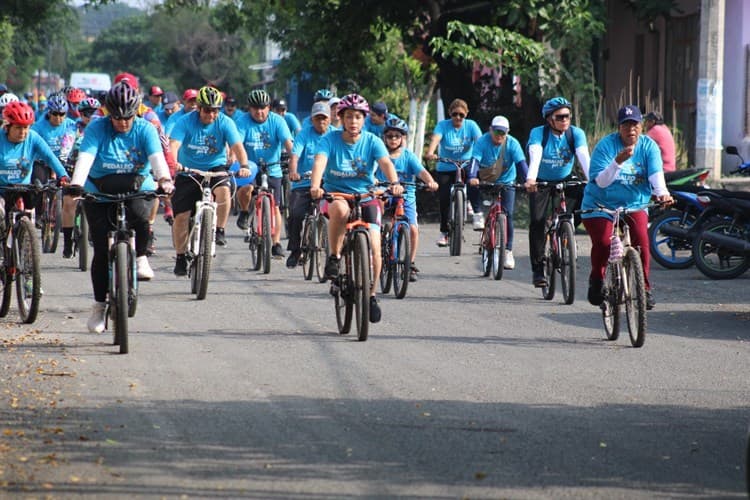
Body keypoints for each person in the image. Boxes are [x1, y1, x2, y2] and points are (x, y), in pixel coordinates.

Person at [67, 82, 174, 333]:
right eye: (117, 117)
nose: (123, 123)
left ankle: (142, 256)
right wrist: (76, 184)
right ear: (108, 113)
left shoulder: (145, 128)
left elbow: (157, 160)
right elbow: (86, 158)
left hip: (136, 184)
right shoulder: (96, 128)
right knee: (102, 250)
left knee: (141, 215)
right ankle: (98, 306)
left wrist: (165, 181)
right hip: (99, 188)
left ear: (135, 112)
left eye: (127, 117)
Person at [309, 93, 404, 323]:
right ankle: (334, 256)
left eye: (358, 117)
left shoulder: (372, 140)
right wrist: (315, 186)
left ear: (364, 120)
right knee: (340, 212)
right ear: (340, 118)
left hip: (366, 194)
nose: (353, 122)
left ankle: (371, 295)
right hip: (337, 193)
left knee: (374, 244)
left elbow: (385, 164)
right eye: (349, 117)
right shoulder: (329, 140)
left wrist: (394, 183)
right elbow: (320, 161)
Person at [581, 105, 673, 310]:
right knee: (604, 243)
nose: (631, 129)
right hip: (600, 204)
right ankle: (597, 278)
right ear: (619, 127)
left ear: (641, 126)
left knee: (642, 241)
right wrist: (617, 162)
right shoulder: (606, 147)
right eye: (626, 125)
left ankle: (644, 289)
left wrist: (662, 193)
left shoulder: (649, 147)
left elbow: (656, 176)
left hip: (634, 204)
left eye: (635, 124)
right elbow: (602, 182)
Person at [168, 85, 251, 275]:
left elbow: (237, 146)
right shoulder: (185, 121)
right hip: (188, 170)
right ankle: (181, 256)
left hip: (215, 167)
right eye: (207, 110)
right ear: (198, 108)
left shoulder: (225, 122)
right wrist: (173, 163)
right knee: (181, 216)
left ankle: (220, 229)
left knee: (224, 191)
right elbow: (174, 145)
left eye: (215, 111)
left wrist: (244, 165)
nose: (211, 115)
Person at [524, 96, 590, 287]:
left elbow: (584, 158)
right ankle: (538, 270)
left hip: (565, 178)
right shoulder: (538, 133)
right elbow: (535, 156)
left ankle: (566, 228)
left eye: (567, 116)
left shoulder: (575, 134)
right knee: (537, 222)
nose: (565, 120)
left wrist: (594, 180)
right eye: (560, 117)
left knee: (586, 196)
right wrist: (530, 179)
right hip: (540, 180)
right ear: (549, 119)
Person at [377, 116, 438, 281]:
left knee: (412, 229)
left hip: (406, 196)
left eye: (397, 136)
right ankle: (377, 239)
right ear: (385, 137)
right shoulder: (380, 154)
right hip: (385, 193)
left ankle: (410, 263)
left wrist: (431, 181)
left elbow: (421, 172)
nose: (393, 139)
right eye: (390, 136)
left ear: (403, 138)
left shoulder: (409, 156)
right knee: (377, 211)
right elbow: (370, 172)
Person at [235, 89, 293, 258]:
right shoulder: (242, 121)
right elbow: (236, 143)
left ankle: (276, 243)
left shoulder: (278, 121)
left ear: (269, 107)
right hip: (250, 167)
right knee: (245, 189)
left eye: (263, 108)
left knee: (275, 206)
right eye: (255, 108)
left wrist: (293, 161)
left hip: (273, 168)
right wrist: (234, 159)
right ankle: (245, 212)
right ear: (249, 108)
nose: (259, 112)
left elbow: (288, 144)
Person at [467, 115, 528, 270]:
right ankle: (478, 213)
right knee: (470, 184)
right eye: (497, 132)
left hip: (507, 182)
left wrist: (528, 181)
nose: (499, 136)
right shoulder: (482, 141)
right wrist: (473, 176)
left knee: (508, 215)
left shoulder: (512, 144)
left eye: (503, 132)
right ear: (490, 130)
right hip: (487, 180)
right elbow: (474, 161)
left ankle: (507, 250)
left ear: (507, 132)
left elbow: (521, 164)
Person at [423, 98, 482, 245]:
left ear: (466, 114)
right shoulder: (443, 126)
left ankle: (476, 212)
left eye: (461, 115)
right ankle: (444, 233)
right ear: (450, 113)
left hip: (466, 164)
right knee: (444, 199)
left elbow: (480, 142)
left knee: (473, 182)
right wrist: (430, 152)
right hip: (446, 165)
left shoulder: (471, 126)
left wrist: (483, 156)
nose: (458, 118)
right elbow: (436, 139)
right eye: (455, 114)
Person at [285, 101, 331, 268]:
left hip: (328, 183)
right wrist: (293, 172)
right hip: (303, 182)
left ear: (330, 119)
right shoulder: (304, 134)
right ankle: (295, 250)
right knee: (296, 214)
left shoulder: (335, 135)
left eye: (324, 118)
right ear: (312, 120)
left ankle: (336, 253)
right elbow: (295, 155)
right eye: (317, 118)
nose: (321, 122)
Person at [61, 97, 101, 258]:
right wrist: (63, 159)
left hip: (94, 171)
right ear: (81, 113)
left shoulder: (101, 127)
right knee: (69, 203)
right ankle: (68, 241)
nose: (89, 116)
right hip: (73, 168)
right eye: (86, 113)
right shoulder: (74, 127)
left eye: (93, 112)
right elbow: (67, 144)